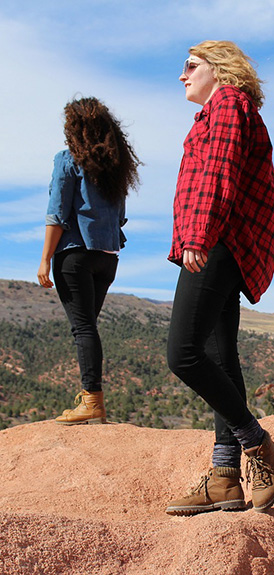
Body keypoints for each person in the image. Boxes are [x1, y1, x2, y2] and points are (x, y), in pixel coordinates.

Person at [165, 41, 274, 516]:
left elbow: (219, 173)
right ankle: (223, 478)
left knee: (183, 354)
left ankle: (260, 446)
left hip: (217, 242)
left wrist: (197, 234)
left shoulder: (230, 104)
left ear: (220, 69)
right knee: (220, 356)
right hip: (220, 241)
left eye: (191, 65)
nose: (182, 75)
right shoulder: (216, 111)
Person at [37, 97, 140, 425]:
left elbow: (57, 213)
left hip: (75, 256)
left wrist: (44, 259)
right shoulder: (115, 167)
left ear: (74, 129)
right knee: (87, 327)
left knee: (82, 328)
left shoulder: (67, 161)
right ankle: (88, 395)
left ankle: (92, 400)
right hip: (107, 258)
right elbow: (120, 217)